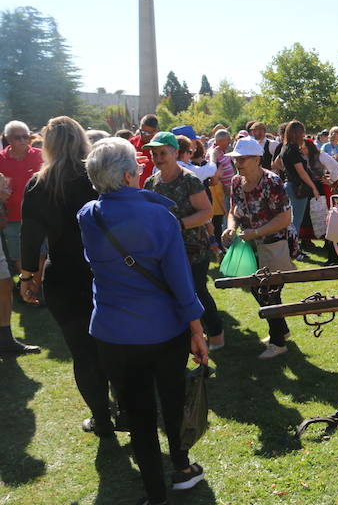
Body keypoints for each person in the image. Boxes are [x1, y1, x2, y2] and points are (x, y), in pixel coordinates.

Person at [78, 137, 208, 505]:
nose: (141, 170)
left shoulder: (88, 215)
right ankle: (181, 468)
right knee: (171, 399)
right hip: (163, 330)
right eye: (136, 167)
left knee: (137, 414)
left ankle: (155, 494)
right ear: (126, 175)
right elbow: (181, 281)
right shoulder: (159, 216)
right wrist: (197, 329)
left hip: (113, 332)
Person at [20, 117, 116, 429]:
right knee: (115, 347)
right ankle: (126, 410)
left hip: (63, 277)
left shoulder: (38, 183)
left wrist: (27, 277)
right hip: (105, 274)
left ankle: (102, 419)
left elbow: (30, 237)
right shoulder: (97, 178)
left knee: (83, 353)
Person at [143, 132, 223, 351]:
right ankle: (188, 336)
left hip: (193, 249)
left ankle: (216, 333)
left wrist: (178, 225)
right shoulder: (151, 182)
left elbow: (206, 212)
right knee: (172, 294)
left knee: (197, 292)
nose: (158, 158)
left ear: (175, 153)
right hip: (165, 251)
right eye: (154, 154)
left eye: (163, 153)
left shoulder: (189, 179)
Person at [224, 137, 299, 359]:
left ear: (257, 159)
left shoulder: (272, 182)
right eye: (236, 158)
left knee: (269, 291)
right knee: (259, 289)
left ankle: (278, 341)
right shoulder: (236, 182)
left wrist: (256, 233)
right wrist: (230, 228)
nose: (238, 163)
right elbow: (232, 211)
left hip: (274, 244)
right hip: (249, 245)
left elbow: (284, 218)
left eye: (243, 159)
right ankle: (281, 331)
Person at [0, 120, 43, 277]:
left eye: (27, 137)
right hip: (11, 216)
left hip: (38, 216)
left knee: (41, 252)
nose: (24, 141)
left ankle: (36, 289)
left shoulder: (40, 156)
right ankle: (27, 284)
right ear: (9, 139)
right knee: (17, 254)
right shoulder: (0, 159)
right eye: (19, 138)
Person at [277, 122, 320, 241]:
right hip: (298, 187)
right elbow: (301, 172)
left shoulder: (284, 147)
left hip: (289, 184)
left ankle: (289, 246)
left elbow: (276, 164)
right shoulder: (293, 149)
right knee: (296, 220)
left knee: (291, 219)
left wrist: (288, 170)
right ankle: (293, 248)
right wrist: (314, 187)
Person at [129, 114, 159, 187]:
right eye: (141, 131)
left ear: (156, 131)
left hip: (155, 189)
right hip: (135, 189)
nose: (143, 135)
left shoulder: (161, 145)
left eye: (147, 133)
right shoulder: (131, 143)